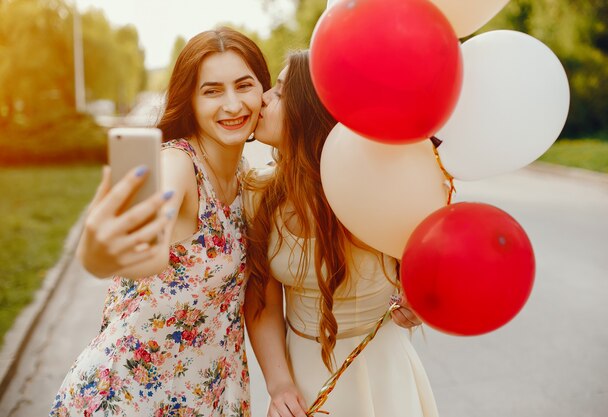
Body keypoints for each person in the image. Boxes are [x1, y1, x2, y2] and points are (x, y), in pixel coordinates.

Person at [50, 27, 271, 417]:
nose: (233, 104)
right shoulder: (178, 165)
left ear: (263, 91)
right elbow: (144, 247)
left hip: (205, 396)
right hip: (128, 397)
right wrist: (98, 255)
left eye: (244, 85)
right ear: (190, 99)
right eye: (212, 91)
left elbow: (256, 296)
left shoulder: (246, 179)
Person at [244, 50, 440, 417]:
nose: (263, 99)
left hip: (381, 368)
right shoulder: (258, 195)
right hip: (301, 376)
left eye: (281, 92)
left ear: (309, 112)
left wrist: (419, 296)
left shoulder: (377, 186)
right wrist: (279, 384)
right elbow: (263, 302)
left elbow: (430, 257)